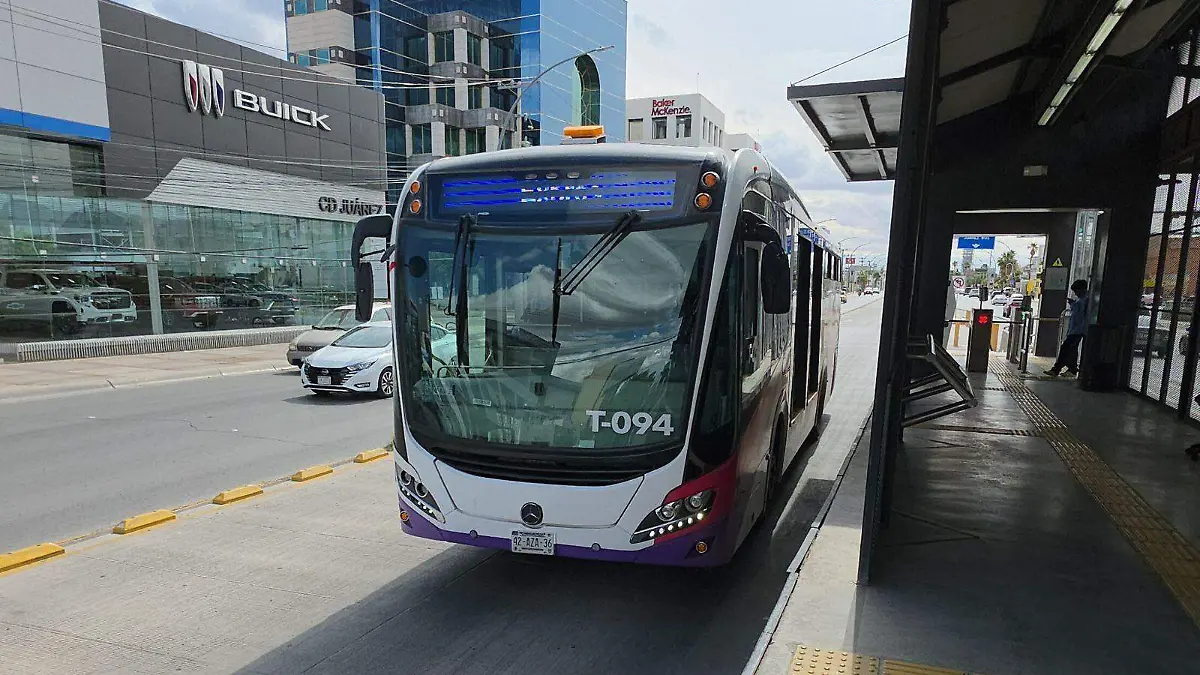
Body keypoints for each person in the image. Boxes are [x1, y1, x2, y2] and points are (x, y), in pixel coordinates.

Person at [1045, 279, 1089, 377]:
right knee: (1070, 349)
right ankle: (1066, 369)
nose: (1076, 293)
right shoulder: (1082, 300)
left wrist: (1073, 304)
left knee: (1067, 348)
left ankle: (1064, 369)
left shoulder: (1084, 300)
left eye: (1076, 291)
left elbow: (1079, 315)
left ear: (1082, 289)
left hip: (1078, 330)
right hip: (1076, 329)